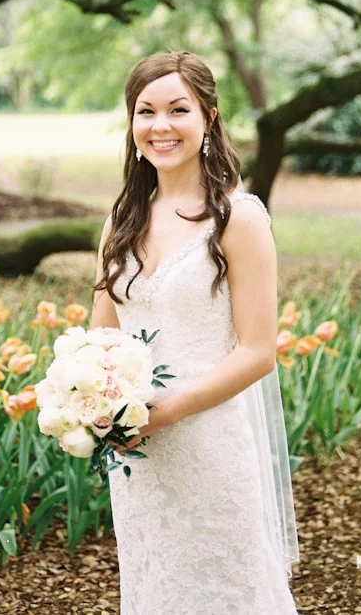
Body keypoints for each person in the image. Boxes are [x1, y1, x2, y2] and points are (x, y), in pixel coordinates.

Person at [91, 49, 300, 615]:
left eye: (178, 109)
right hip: (139, 454)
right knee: (155, 585)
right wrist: (92, 402)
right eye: (145, 111)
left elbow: (258, 351)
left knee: (223, 589)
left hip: (211, 442)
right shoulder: (121, 219)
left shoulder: (239, 217)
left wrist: (170, 410)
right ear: (131, 123)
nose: (160, 126)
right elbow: (101, 338)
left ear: (208, 117)